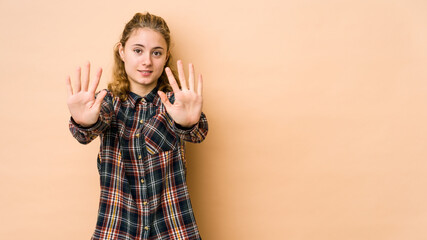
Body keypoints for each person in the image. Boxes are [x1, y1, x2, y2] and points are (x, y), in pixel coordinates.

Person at [66, 12, 208, 240]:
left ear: (166, 56)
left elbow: (197, 133)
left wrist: (190, 123)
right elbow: (87, 131)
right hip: (117, 227)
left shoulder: (175, 104)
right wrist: (83, 122)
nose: (147, 61)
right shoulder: (107, 103)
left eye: (157, 53)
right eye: (138, 50)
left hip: (172, 228)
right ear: (122, 51)